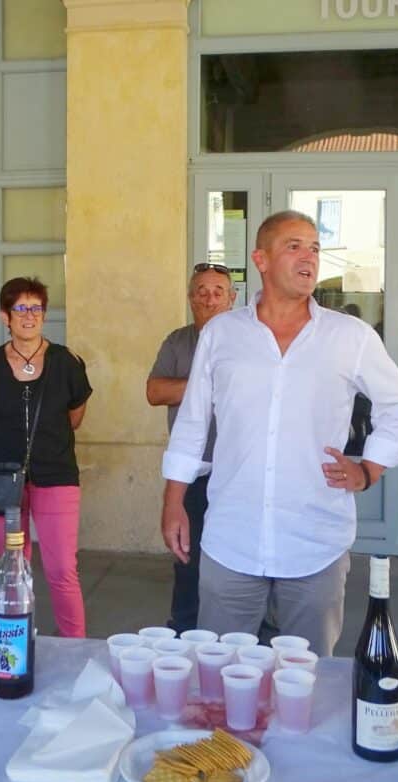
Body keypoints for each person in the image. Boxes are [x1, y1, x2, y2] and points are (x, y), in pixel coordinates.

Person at [160, 211, 398, 656]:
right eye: (294, 246)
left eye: (315, 248)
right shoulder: (223, 333)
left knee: (307, 679)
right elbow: (192, 422)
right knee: (223, 674)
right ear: (261, 259)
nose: (309, 258)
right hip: (232, 538)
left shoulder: (349, 336)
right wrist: (173, 502)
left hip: (314, 540)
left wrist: (369, 469)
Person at [0, 277, 92, 637]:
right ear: (5, 316)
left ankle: (76, 647)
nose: (29, 316)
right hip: (1, 477)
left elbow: (75, 415)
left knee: (62, 569)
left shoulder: (65, 362)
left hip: (56, 475)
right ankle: (17, 641)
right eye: (20, 308)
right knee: (13, 567)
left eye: (36, 308)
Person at [147, 263, 237, 633]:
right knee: (188, 558)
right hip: (192, 473)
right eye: (201, 290)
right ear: (190, 298)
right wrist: (205, 383)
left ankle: (253, 637)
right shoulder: (177, 341)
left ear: (232, 299)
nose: (209, 298)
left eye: (218, 291)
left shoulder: (249, 340)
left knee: (242, 561)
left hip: (239, 473)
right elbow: (155, 391)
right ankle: (184, 632)